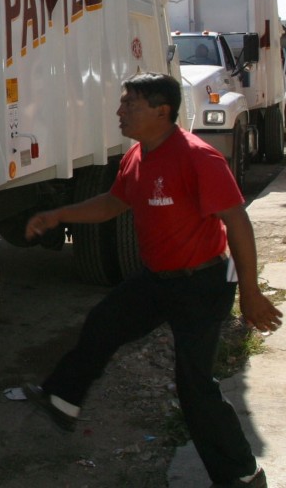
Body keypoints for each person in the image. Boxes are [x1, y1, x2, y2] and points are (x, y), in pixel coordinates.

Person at [23, 72, 281, 488]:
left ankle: (241, 475)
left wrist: (249, 293)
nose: (120, 112)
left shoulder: (198, 157)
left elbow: (237, 221)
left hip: (203, 283)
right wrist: (59, 215)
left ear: (162, 112)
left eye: (130, 104)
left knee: (194, 387)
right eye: (122, 103)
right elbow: (113, 202)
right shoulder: (137, 155)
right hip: (158, 280)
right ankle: (63, 399)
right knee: (103, 323)